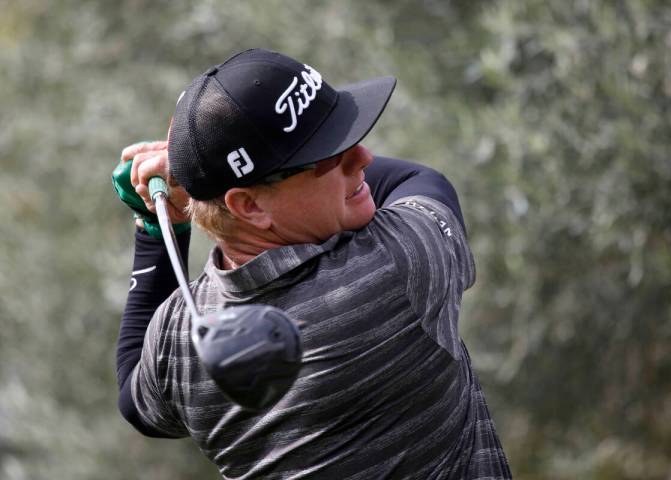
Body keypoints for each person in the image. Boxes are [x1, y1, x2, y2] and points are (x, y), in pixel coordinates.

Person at [114, 48, 512, 479]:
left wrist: (158, 227)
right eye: (328, 157)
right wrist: (189, 175)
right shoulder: (392, 267)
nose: (363, 158)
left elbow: (135, 401)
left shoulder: (179, 342)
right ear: (249, 205)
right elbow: (422, 182)